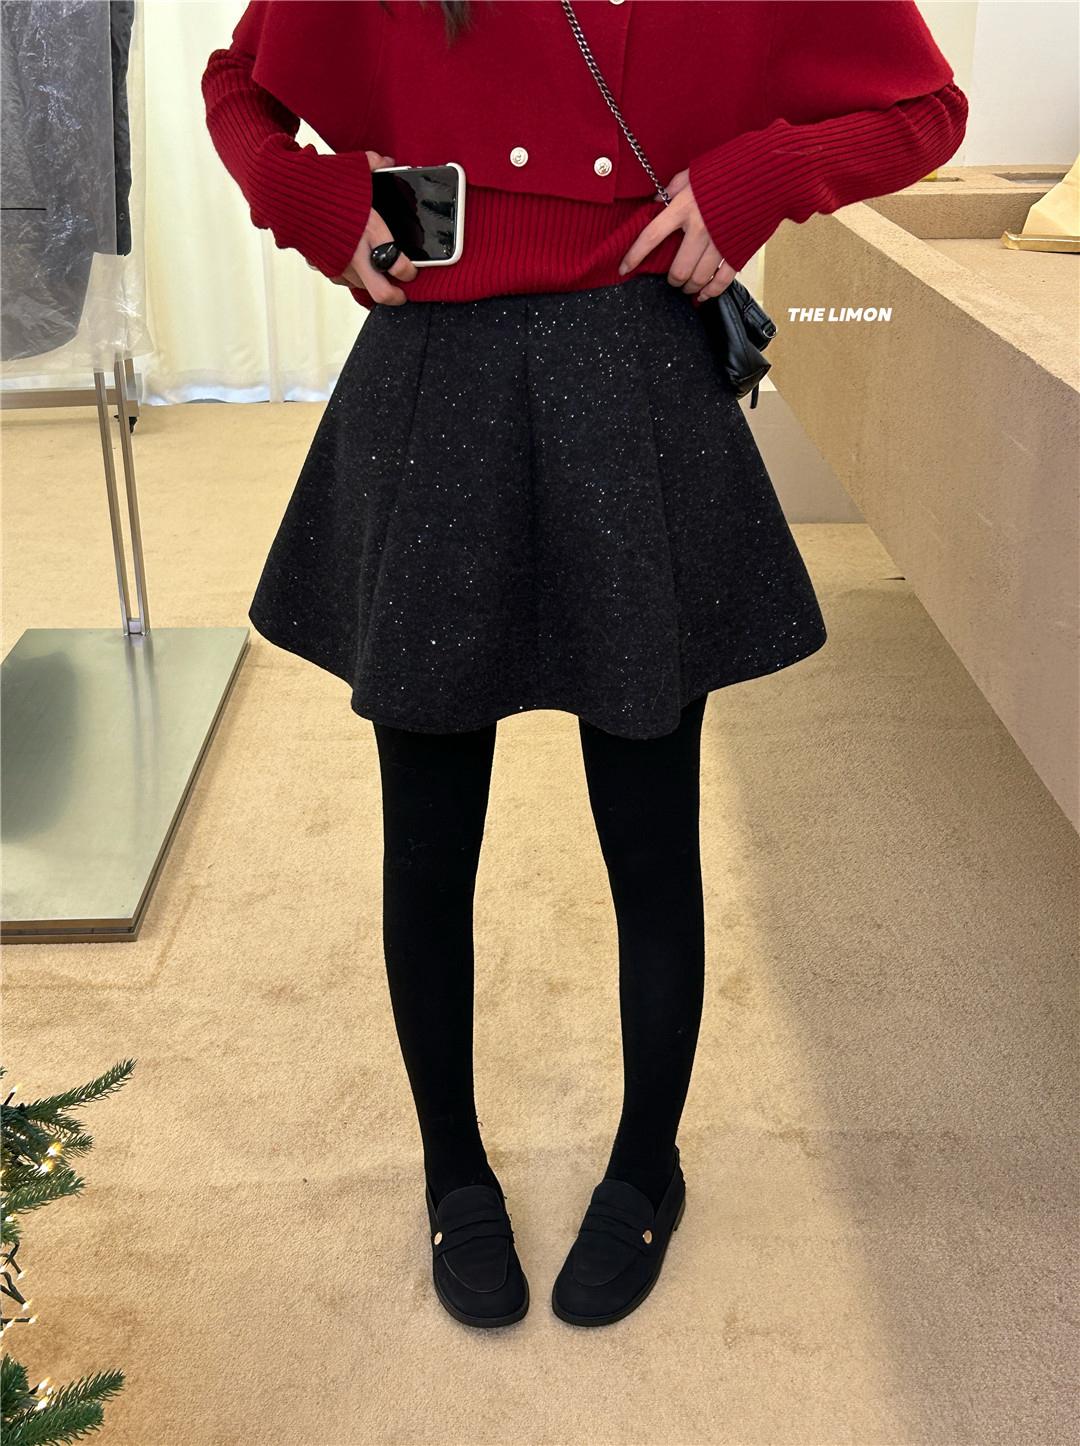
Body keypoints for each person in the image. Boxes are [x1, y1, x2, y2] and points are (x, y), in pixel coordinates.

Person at [202, 0, 967, 1329]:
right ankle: (452, 1170)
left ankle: (646, 1163)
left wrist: (760, 175)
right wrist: (314, 201)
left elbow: (927, 108)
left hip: (635, 384)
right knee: (427, 836)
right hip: (434, 381)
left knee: (650, 831)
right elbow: (239, 86)